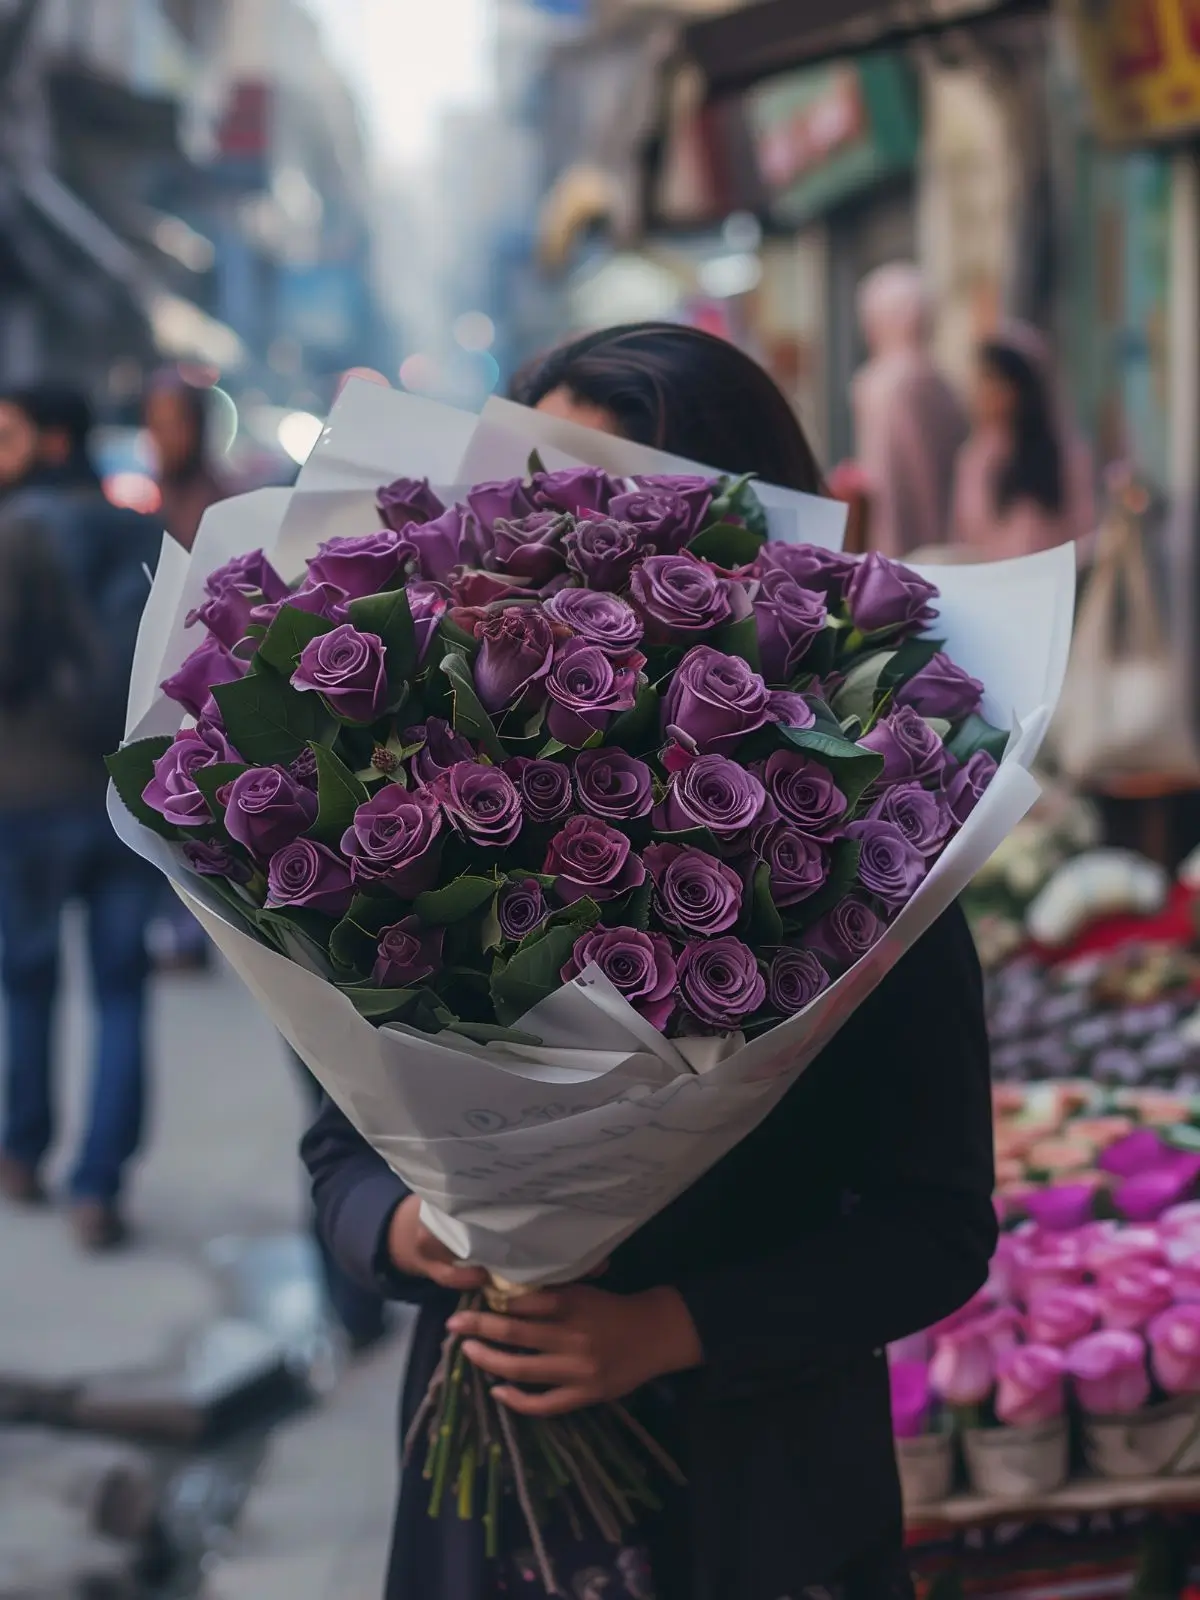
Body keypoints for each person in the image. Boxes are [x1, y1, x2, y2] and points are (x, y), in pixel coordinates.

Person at [301, 323, 996, 1600]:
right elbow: (337, 1151)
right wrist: (412, 1229)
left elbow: (936, 1224)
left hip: (760, 1493)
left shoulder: (873, 833)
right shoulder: (415, 793)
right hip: (484, 1507)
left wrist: (665, 1333)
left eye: (618, 500)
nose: (573, 541)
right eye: (537, 488)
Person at [0, 384, 162, 1249]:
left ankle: (22, 1151)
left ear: (50, 438)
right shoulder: (137, 527)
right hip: (121, 794)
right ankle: (99, 1184)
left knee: (26, 984)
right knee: (121, 990)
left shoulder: (13, 527)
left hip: (24, 791)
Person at [143, 372, 231, 969]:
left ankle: (193, 924)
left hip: (204, 684)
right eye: (154, 422)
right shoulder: (148, 496)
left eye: (171, 422)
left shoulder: (215, 500)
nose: (159, 435)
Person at [852, 264, 969, 559]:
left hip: (907, 549)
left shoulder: (887, 383)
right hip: (935, 545)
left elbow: (903, 485)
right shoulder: (938, 381)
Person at [951, 323, 1094, 562]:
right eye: (982, 381)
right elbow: (964, 539)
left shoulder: (1065, 455)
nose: (984, 393)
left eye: (996, 382)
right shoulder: (976, 458)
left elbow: (1083, 532)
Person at [143, 372, 229, 553]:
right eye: (157, 426)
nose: (165, 439)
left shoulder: (220, 508)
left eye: (174, 426)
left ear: (197, 427)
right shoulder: (146, 501)